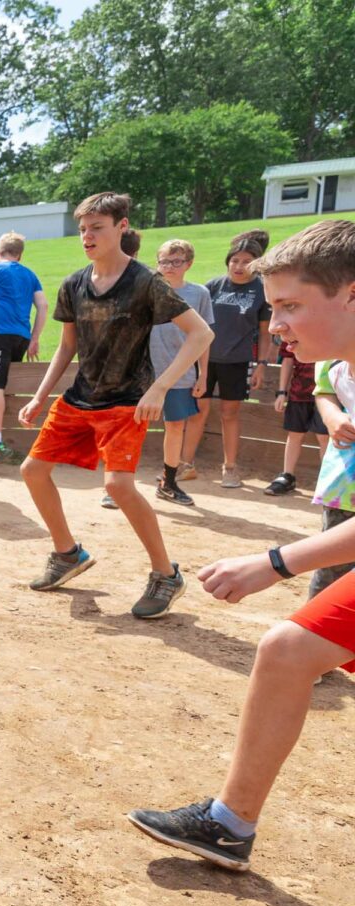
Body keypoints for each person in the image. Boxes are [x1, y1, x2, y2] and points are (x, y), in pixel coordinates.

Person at [128, 219, 355, 871]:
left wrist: (273, 562)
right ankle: (228, 826)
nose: (275, 324)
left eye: (289, 306)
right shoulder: (341, 370)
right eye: (272, 306)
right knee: (287, 651)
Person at [16, 192, 212, 619]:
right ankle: (68, 554)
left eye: (97, 227)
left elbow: (201, 335)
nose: (87, 236)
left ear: (122, 227)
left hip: (127, 400)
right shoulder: (73, 283)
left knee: (118, 486)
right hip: (80, 396)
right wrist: (40, 394)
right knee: (32, 470)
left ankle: (166, 574)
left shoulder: (145, 282)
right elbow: (67, 346)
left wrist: (159, 388)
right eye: (83, 228)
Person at [101, 239, 213, 509]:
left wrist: (202, 374)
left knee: (175, 426)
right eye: (164, 261)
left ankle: (168, 482)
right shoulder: (144, 289)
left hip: (178, 373)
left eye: (177, 261)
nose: (170, 267)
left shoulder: (199, 294)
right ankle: (117, 485)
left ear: (189, 264)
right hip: (140, 373)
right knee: (128, 426)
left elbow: (204, 338)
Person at [182, 231, 273, 488]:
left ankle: (230, 468)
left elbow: (266, 334)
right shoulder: (213, 286)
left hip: (238, 361)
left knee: (230, 414)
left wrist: (261, 366)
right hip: (205, 359)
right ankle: (185, 464)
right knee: (198, 410)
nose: (239, 266)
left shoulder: (261, 291)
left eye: (246, 261)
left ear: (256, 263)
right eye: (234, 260)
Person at [0, 232, 48, 471]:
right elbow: (43, 305)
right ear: (19, 255)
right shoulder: (29, 274)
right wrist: (35, 338)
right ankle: (0, 439)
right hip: (21, 338)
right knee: (5, 386)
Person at [309, 357, 355, 596]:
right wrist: (332, 416)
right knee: (331, 572)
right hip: (346, 485)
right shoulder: (332, 353)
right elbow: (324, 391)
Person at [263, 339, 327, 496]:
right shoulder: (295, 329)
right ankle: (287, 476)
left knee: (324, 437)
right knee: (294, 434)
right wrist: (281, 392)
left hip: (327, 392)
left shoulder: (331, 326)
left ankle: (327, 482)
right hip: (299, 390)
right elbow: (288, 359)